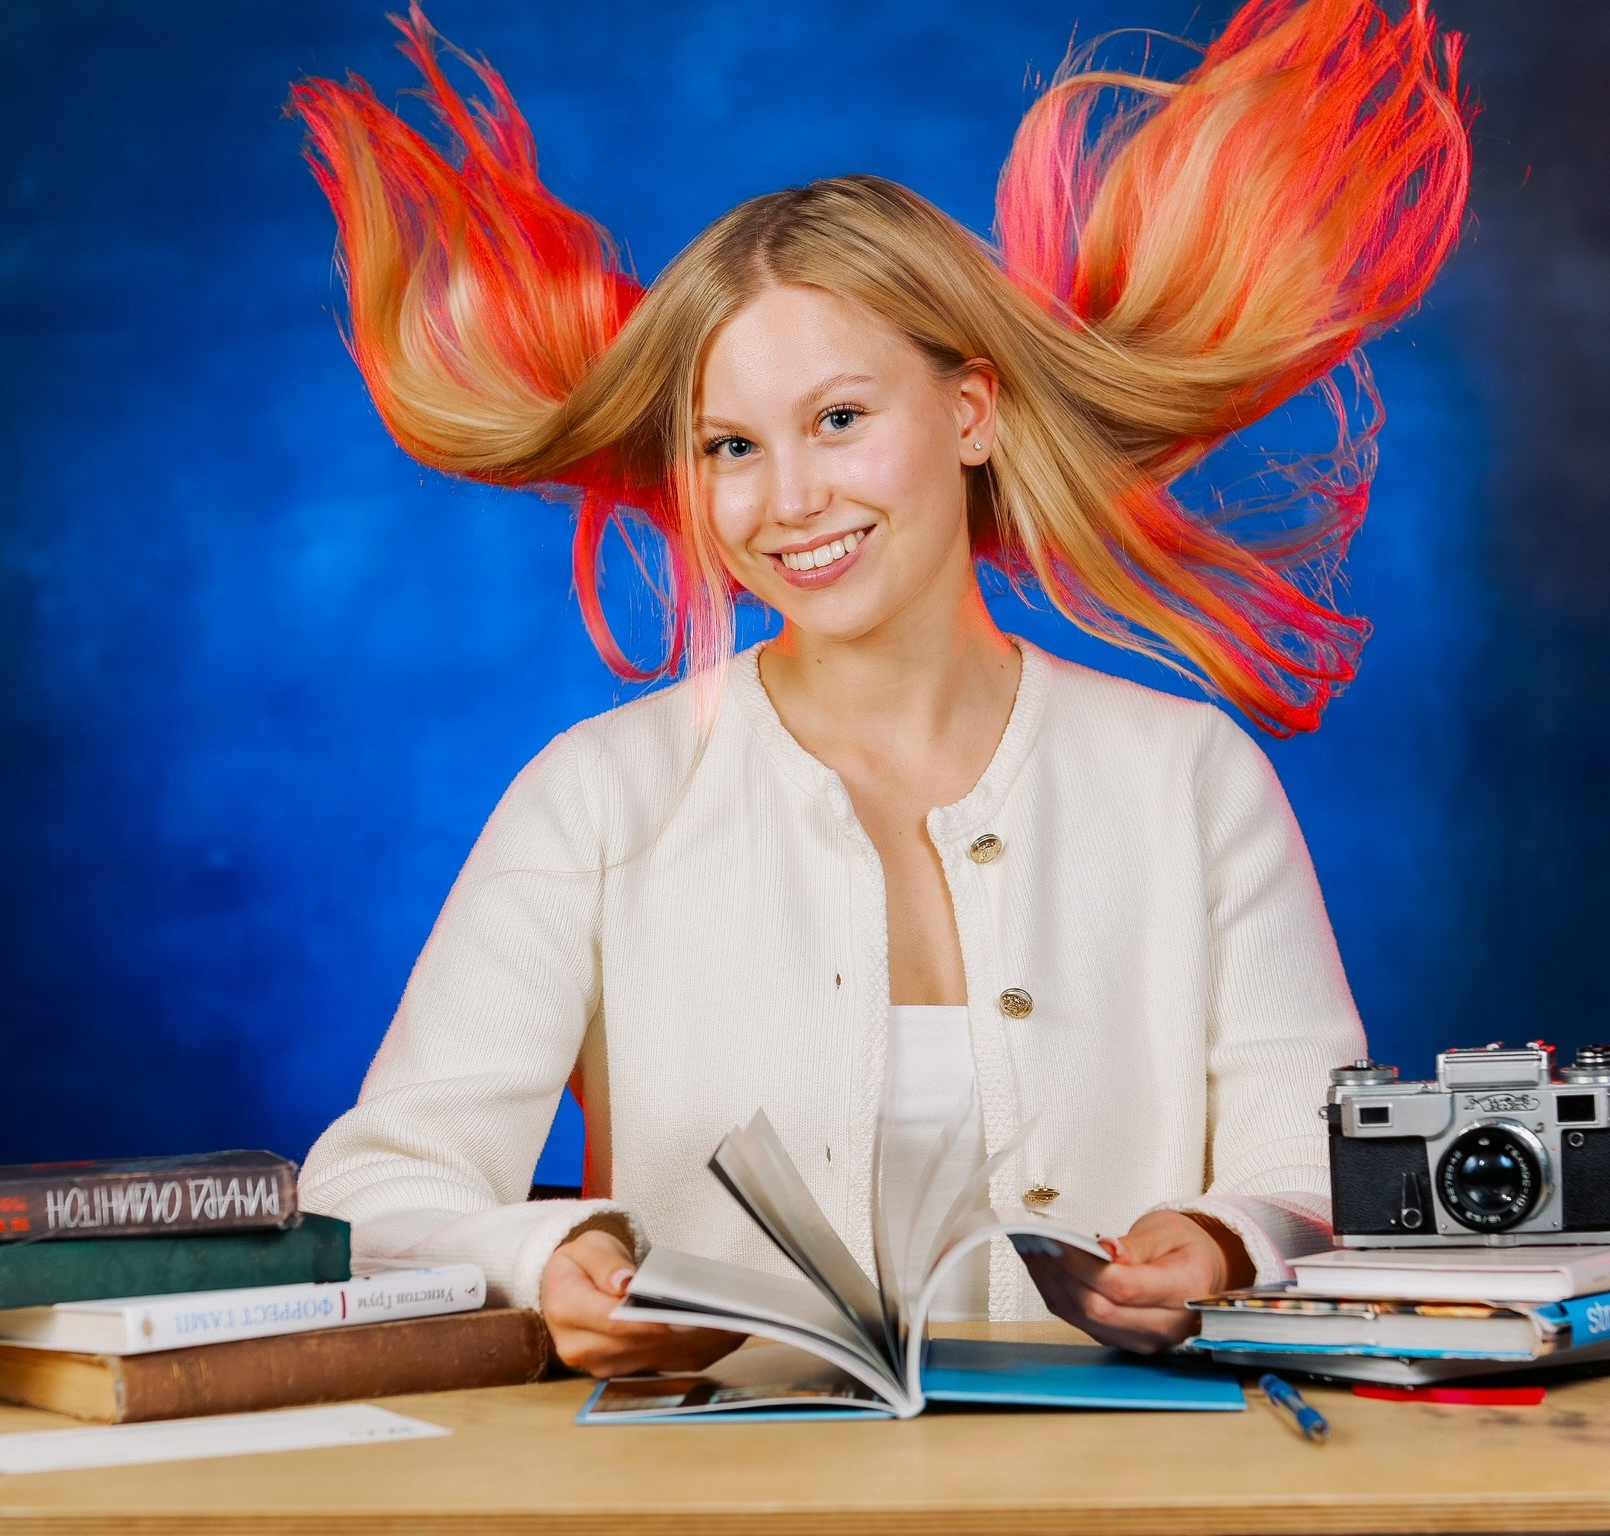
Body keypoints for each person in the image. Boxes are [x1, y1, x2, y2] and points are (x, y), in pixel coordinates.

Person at [288, 0, 1468, 1377]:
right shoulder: (598, 795)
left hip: (1124, 1476)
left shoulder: (1188, 776)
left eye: (840, 419)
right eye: (730, 445)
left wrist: (1222, 1241)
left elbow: (1316, 1168)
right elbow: (372, 1192)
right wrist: (548, 1260)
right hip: (718, 1477)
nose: (788, 499)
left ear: (969, 414)